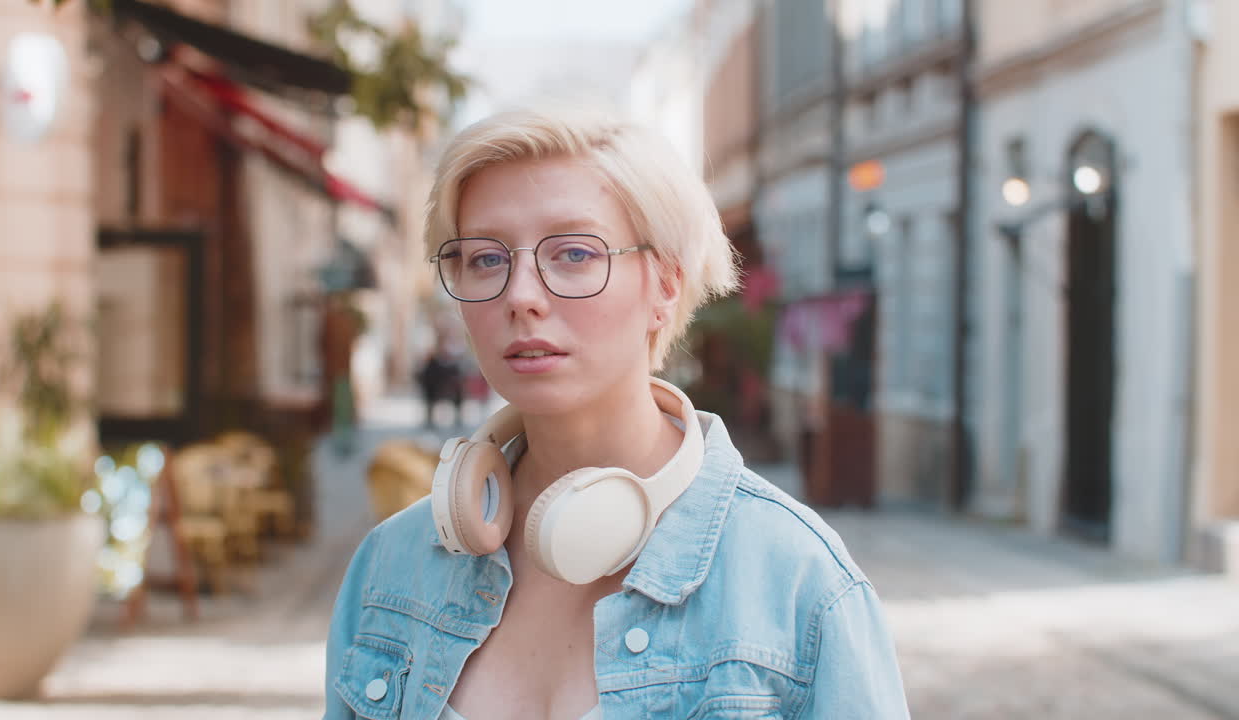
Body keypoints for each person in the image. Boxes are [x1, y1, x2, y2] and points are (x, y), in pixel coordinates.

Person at [324, 105, 910, 719]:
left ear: (664, 287)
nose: (522, 295)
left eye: (575, 253)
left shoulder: (799, 585)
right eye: (486, 258)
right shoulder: (390, 569)